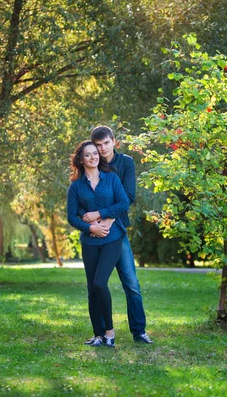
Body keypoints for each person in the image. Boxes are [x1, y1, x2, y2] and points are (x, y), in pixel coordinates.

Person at [80, 125, 153, 344]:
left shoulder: (126, 163)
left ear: (114, 141)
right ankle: (101, 333)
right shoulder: (94, 164)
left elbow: (128, 196)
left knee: (131, 282)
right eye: (98, 145)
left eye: (106, 143)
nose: (102, 149)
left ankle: (139, 331)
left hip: (117, 232)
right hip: (95, 235)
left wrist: (107, 220)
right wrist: (93, 225)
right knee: (96, 284)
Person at [67, 140, 130, 347]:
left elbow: (123, 203)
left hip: (113, 238)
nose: (93, 157)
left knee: (99, 283)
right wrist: (90, 228)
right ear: (81, 159)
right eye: (88, 154)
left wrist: (99, 215)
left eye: (95, 153)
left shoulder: (111, 179)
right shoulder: (76, 187)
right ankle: (98, 335)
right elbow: (72, 217)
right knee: (91, 289)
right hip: (89, 242)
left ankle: (109, 332)